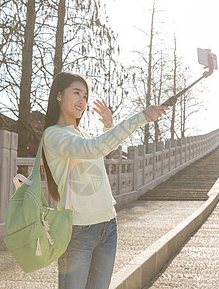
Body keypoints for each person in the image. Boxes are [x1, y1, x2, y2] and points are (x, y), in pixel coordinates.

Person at [41, 71, 170, 289]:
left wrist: (109, 127)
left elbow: (99, 150)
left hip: (108, 225)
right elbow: (94, 149)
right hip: (78, 230)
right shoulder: (54, 135)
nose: (82, 100)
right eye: (76, 93)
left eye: (85, 96)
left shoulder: (82, 135)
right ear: (59, 96)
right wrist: (140, 117)